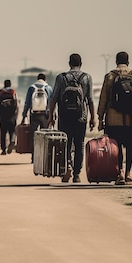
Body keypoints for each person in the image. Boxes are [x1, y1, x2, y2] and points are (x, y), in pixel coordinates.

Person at [97, 51, 132, 185]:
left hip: (114, 119)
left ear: (116, 61)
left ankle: (119, 172)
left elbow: (103, 99)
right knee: (130, 146)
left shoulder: (110, 76)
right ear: (128, 61)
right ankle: (128, 173)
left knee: (116, 146)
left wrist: (100, 118)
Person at [48, 53, 96, 183]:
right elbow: (90, 100)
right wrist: (93, 118)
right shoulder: (87, 78)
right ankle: (76, 174)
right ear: (81, 64)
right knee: (79, 144)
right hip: (81, 117)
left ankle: (67, 167)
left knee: (65, 144)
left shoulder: (61, 77)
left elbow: (53, 98)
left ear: (69, 63)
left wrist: (51, 116)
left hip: (64, 116)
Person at [21, 73, 53, 162]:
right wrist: (52, 116)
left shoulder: (31, 88)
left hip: (34, 114)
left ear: (37, 79)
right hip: (45, 115)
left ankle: (33, 157)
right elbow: (51, 102)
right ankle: (44, 157)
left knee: (33, 136)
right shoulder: (48, 88)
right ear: (45, 79)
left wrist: (24, 115)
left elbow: (27, 103)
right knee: (45, 136)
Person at [0, 79, 19, 155]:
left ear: (4, 84)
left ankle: (3, 149)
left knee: (3, 132)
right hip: (12, 116)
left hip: (2, 115)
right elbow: (17, 104)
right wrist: (16, 114)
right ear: (10, 84)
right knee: (12, 130)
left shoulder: (0, 92)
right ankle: (12, 140)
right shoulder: (13, 92)